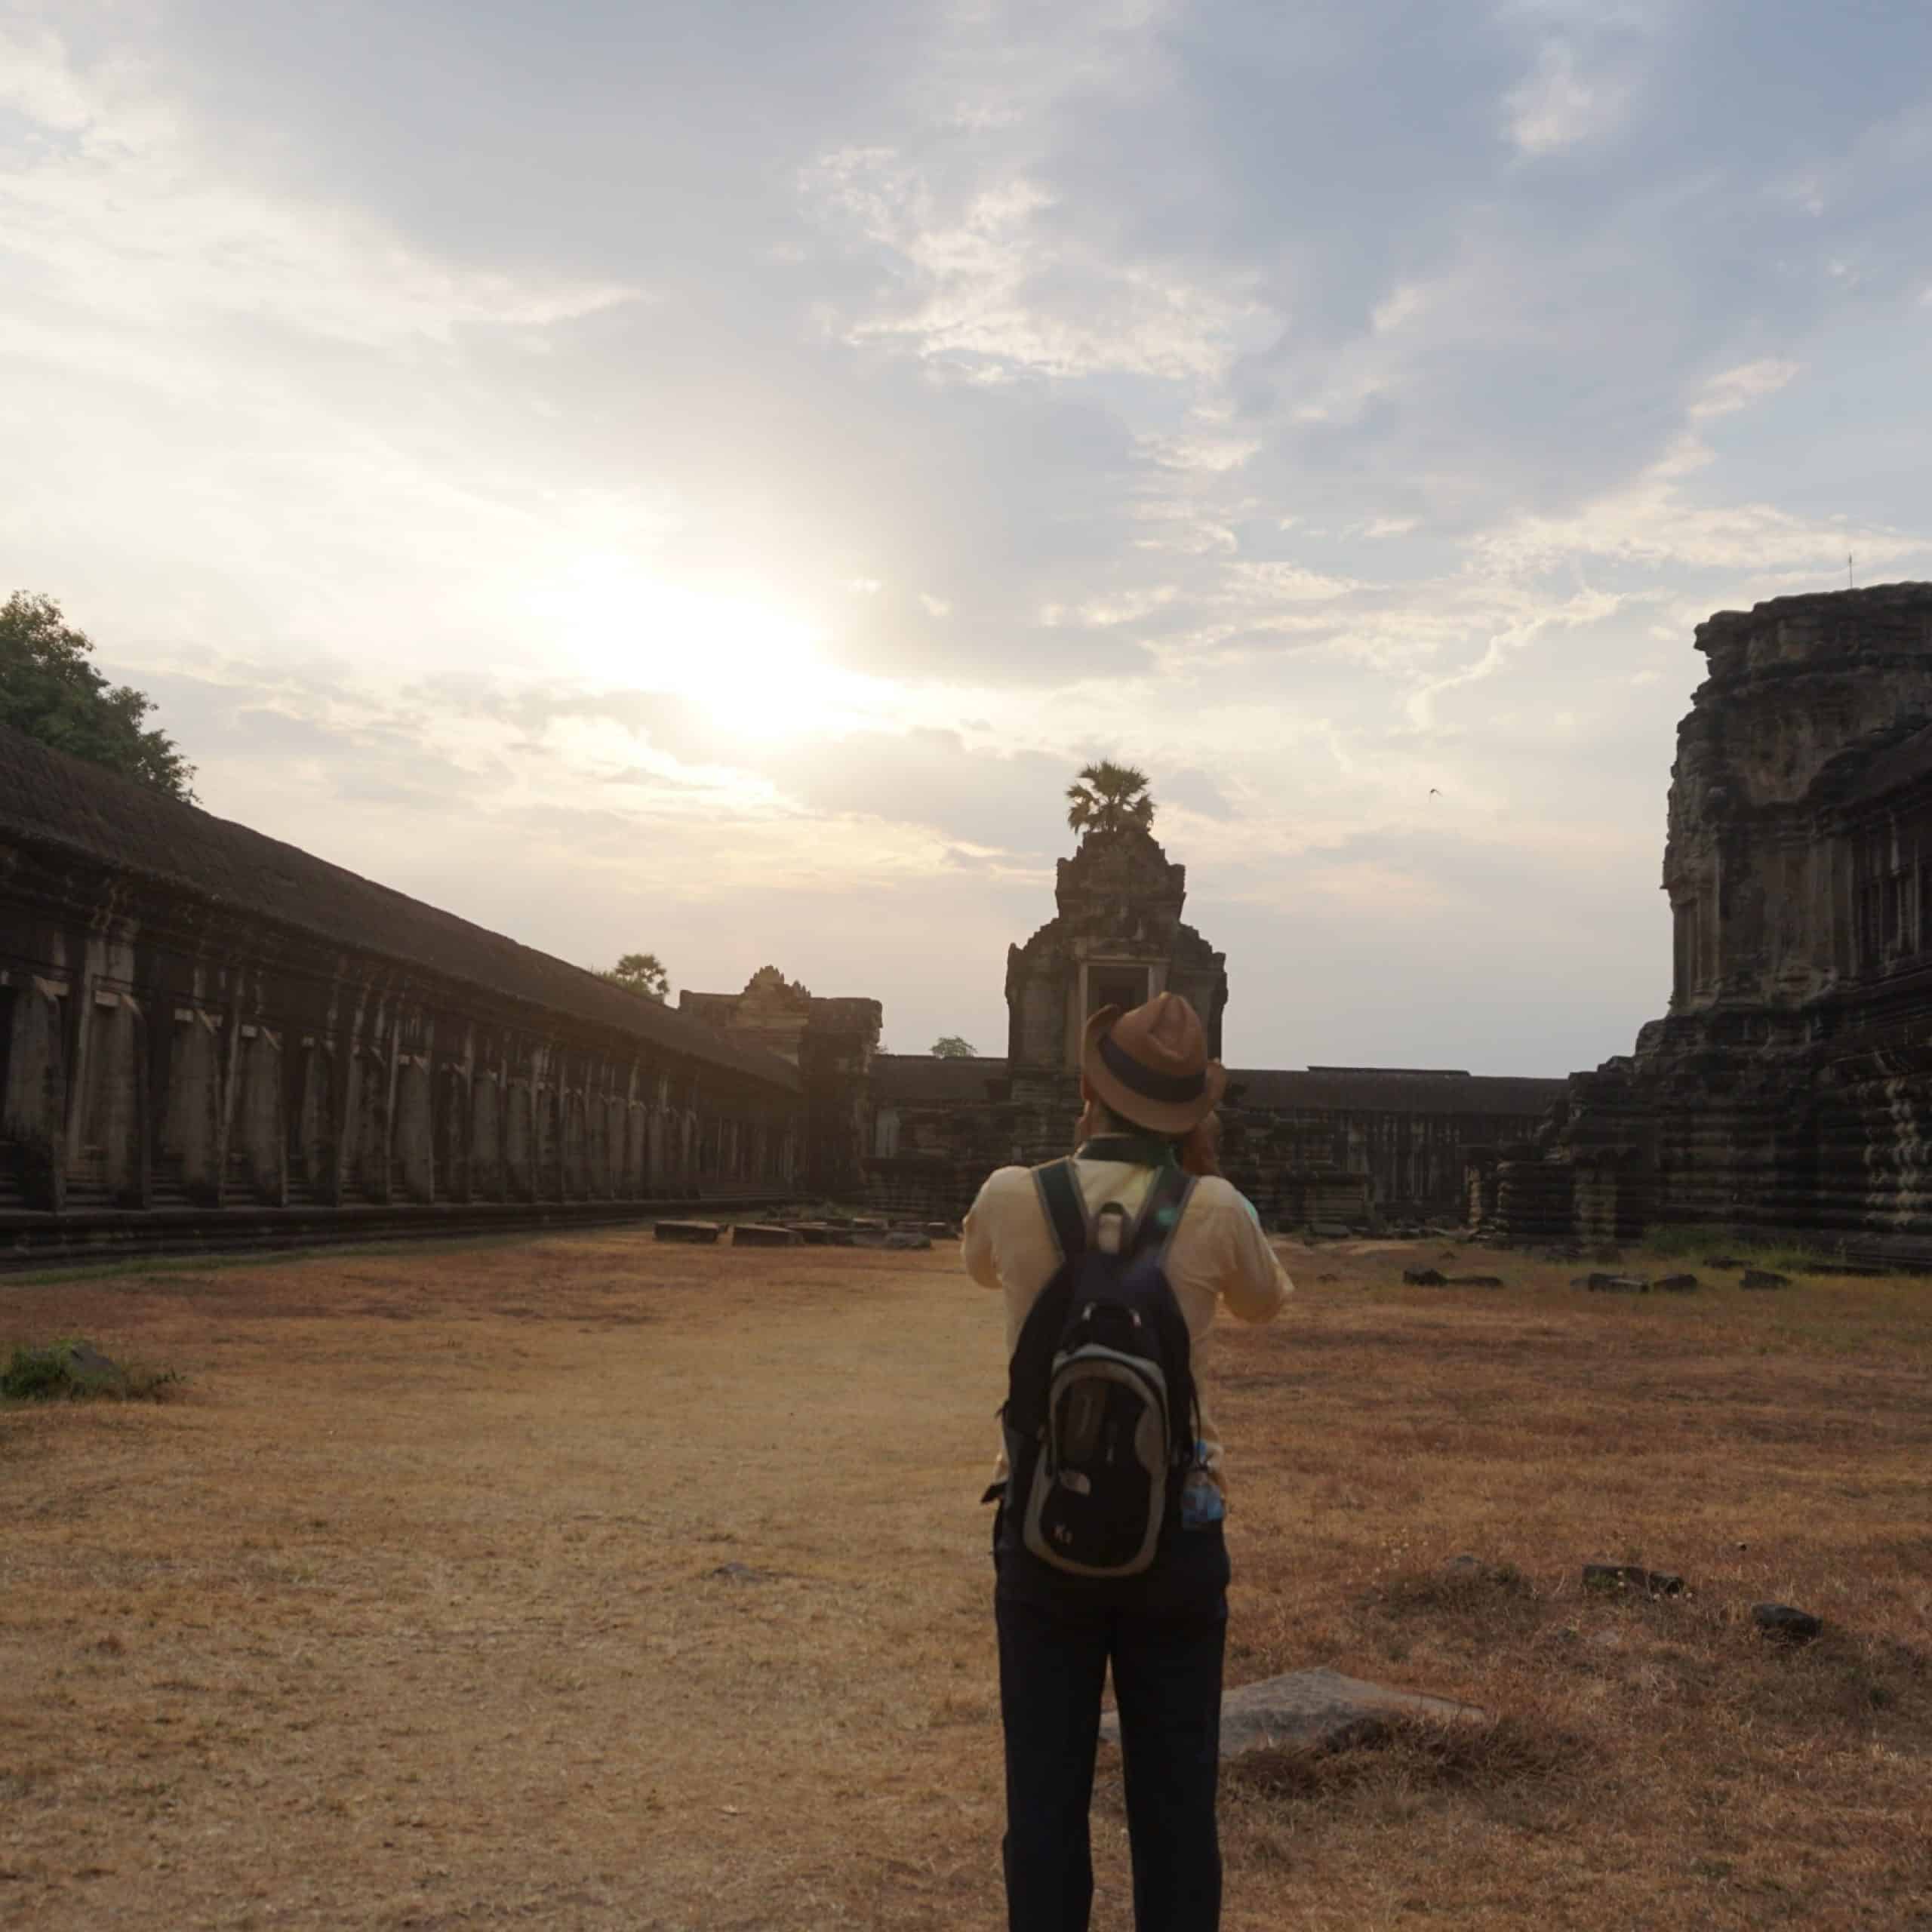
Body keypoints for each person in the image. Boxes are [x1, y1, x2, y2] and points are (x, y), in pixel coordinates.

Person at [963, 992, 1291, 1932]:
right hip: (1176, 1536)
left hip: (1037, 1521)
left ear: (1088, 1091)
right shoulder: (1218, 1207)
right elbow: (1267, 1300)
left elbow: (981, 1268)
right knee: (1177, 1795)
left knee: (1043, 1792)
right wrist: (1201, 1178)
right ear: (1192, 1111)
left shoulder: (1010, 1193)